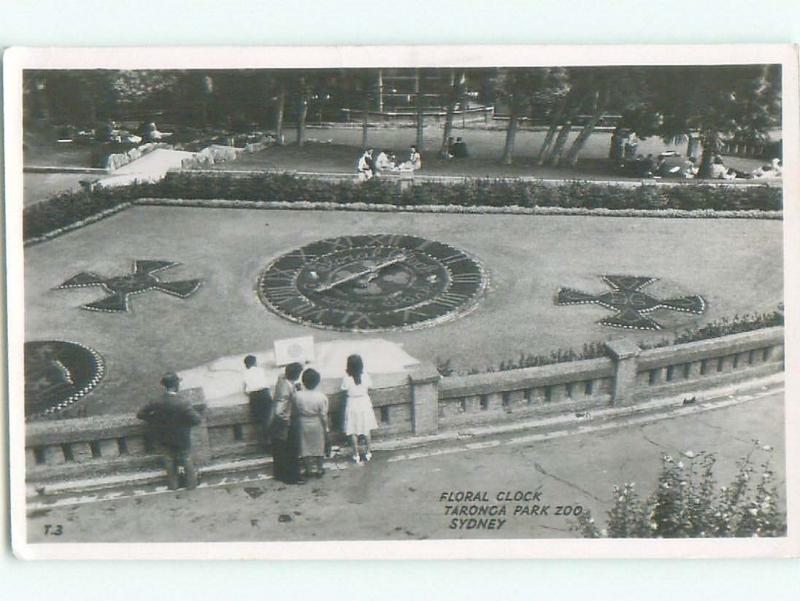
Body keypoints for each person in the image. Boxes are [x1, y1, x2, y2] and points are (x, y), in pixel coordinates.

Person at [137, 372, 203, 490]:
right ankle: (191, 484)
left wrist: (156, 421)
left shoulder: (156, 401)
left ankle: (173, 485)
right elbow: (197, 420)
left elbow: (140, 414)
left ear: (165, 386)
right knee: (185, 459)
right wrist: (184, 424)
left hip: (163, 436)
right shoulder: (183, 402)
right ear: (176, 385)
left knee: (168, 460)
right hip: (181, 437)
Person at [269, 362, 305, 484]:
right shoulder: (286, 389)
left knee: (280, 450)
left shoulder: (282, 380)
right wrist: (287, 421)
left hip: (278, 423)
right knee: (291, 450)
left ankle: (280, 474)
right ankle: (293, 477)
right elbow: (280, 410)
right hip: (285, 423)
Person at [341, 354, 379, 464]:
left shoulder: (346, 377)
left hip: (352, 402)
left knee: (352, 430)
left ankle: (356, 454)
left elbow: (344, 388)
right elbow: (371, 386)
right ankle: (368, 452)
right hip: (364, 402)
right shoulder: (365, 375)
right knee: (366, 428)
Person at [294, 368, 329, 479]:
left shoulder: (297, 395)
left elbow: (294, 409)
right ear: (317, 382)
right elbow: (323, 415)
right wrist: (326, 427)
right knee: (319, 446)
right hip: (316, 422)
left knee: (305, 447)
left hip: (302, 422)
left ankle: (308, 470)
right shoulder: (321, 396)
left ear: (303, 381)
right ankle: (319, 469)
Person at [243, 355, 272, 445]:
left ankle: (264, 442)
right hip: (264, 394)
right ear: (255, 363)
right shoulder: (261, 370)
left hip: (254, 396)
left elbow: (245, 390)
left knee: (259, 421)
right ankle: (271, 440)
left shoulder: (245, 373)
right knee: (268, 418)